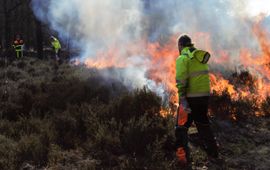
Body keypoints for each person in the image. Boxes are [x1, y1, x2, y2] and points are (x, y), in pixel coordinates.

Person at [175, 34, 219, 167]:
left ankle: (183, 160)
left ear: (181, 46)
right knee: (203, 124)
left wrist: (182, 98)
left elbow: (181, 80)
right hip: (204, 97)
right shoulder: (199, 57)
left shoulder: (183, 58)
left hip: (191, 98)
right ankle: (213, 153)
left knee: (181, 128)